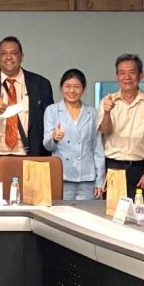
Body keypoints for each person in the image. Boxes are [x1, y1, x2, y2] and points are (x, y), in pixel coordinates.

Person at [0, 36, 54, 180]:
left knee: (28, 201)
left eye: (14, 53)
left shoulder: (40, 83)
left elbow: (49, 120)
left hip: (30, 157)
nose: (9, 57)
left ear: (22, 56)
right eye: (4, 53)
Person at [99, 54, 144, 200]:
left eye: (132, 72)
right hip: (113, 166)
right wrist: (107, 113)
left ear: (141, 75)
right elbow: (106, 131)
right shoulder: (107, 100)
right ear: (117, 76)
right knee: (111, 216)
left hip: (141, 169)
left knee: (142, 216)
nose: (127, 77)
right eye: (122, 73)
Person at [43, 69, 105, 201]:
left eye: (77, 87)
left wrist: (100, 180)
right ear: (61, 88)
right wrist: (54, 137)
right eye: (68, 86)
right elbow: (47, 146)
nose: (72, 91)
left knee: (87, 217)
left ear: (83, 89)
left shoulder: (92, 113)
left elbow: (97, 149)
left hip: (88, 178)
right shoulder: (52, 111)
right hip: (62, 175)